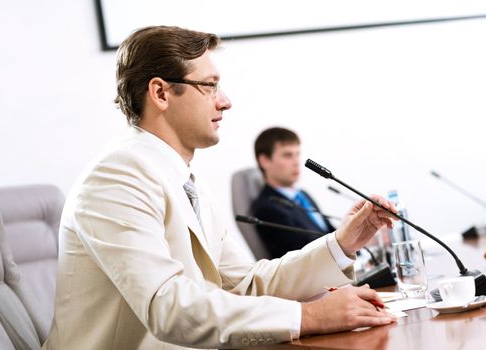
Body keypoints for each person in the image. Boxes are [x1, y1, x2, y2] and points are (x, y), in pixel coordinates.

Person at [43, 26, 397, 350]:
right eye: (209, 85)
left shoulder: (183, 178)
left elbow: (247, 284)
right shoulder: (116, 179)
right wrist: (312, 317)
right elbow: (167, 306)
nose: (224, 100)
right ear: (161, 92)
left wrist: (342, 243)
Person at [252, 127, 336, 258]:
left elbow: (330, 233)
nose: (296, 162)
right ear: (264, 161)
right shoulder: (266, 209)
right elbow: (305, 253)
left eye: (297, 154)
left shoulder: (303, 195)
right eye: (287, 155)